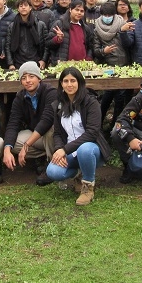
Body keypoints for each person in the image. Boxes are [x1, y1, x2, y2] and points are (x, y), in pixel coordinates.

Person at [41, 67, 112, 205]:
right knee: (52, 172)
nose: (69, 84)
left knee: (84, 149)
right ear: (61, 84)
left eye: (73, 80)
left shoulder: (91, 103)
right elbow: (57, 133)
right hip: (69, 150)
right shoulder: (58, 105)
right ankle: (78, 174)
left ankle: (88, 188)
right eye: (65, 81)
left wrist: (65, 150)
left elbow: (92, 133)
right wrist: (59, 148)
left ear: (79, 82)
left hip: (91, 149)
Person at [2, 61, 58, 184]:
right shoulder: (20, 97)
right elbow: (13, 123)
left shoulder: (50, 92)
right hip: (37, 137)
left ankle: (52, 165)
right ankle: (42, 157)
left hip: (55, 136)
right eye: (24, 78)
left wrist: (26, 146)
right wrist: (6, 150)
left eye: (31, 76)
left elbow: (47, 120)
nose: (28, 80)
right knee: (14, 143)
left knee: (50, 130)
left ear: (39, 78)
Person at [6, 0, 47, 71]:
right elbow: (8, 46)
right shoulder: (12, 26)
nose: (23, 8)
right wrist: (10, 64)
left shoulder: (40, 25)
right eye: (21, 6)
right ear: (18, 9)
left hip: (36, 62)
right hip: (18, 63)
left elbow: (46, 45)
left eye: (25, 5)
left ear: (30, 7)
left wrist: (43, 60)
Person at [47, 0, 94, 64]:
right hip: (63, 65)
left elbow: (90, 46)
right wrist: (58, 39)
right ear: (70, 10)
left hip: (81, 65)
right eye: (77, 10)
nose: (79, 13)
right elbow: (48, 44)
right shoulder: (60, 24)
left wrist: (88, 59)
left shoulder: (85, 28)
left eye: (82, 11)